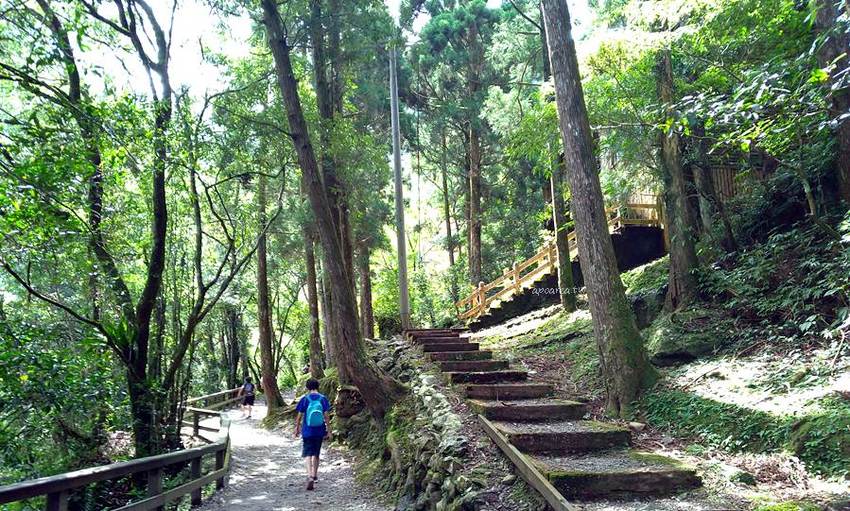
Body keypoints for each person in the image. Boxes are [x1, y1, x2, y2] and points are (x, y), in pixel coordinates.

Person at [294, 378, 331, 491]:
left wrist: (297, 428)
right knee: (316, 453)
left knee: (307, 454)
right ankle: (315, 475)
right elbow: (326, 416)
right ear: (318, 386)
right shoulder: (323, 398)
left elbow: (299, 416)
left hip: (307, 431)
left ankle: (309, 475)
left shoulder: (305, 399)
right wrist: (329, 430)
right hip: (319, 430)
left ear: (307, 387)